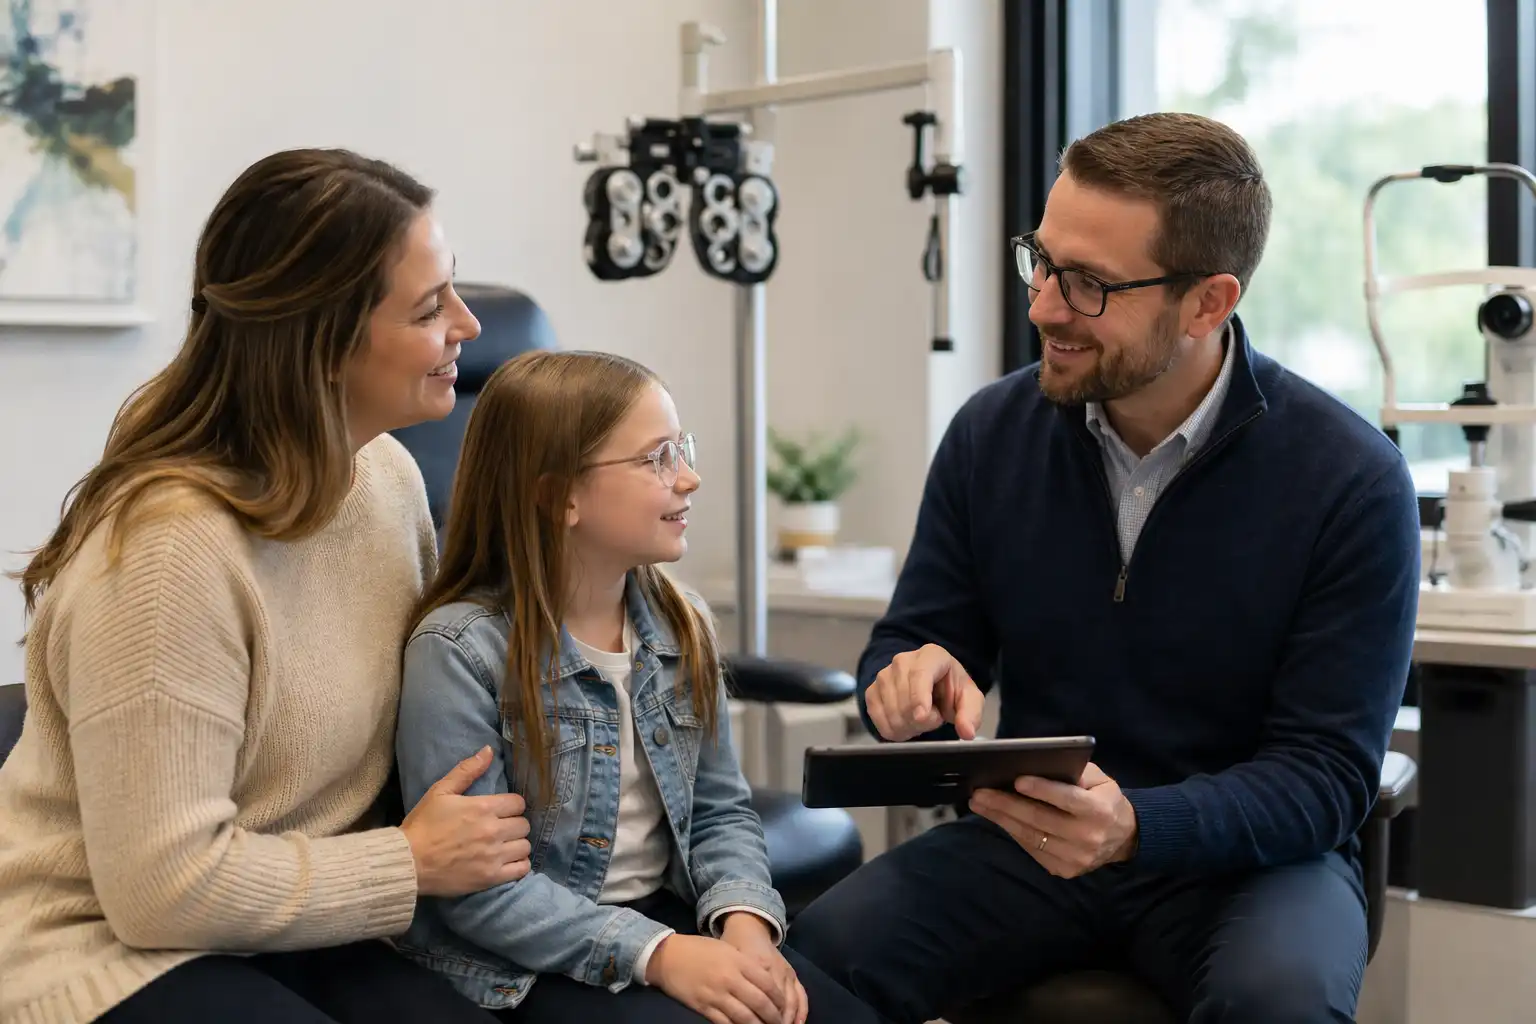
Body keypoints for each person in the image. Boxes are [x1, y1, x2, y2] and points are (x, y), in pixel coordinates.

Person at [784, 112, 1421, 1024]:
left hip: (1249, 866)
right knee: (811, 971)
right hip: (1029, 836)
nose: (1043, 305)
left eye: (1087, 285)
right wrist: (907, 679)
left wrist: (1136, 827)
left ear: (1208, 302)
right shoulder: (990, 435)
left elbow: (1323, 776)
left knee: (1276, 1005)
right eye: (1040, 261)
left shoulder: (1352, 481)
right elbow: (916, 640)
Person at [0, 149, 533, 1024]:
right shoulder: (171, 557)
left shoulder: (387, 479)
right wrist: (407, 863)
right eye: (432, 307)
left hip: (307, 929)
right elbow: (163, 890)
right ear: (323, 340)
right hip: (105, 948)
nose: (469, 327)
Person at [392, 350, 887, 1024]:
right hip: (528, 960)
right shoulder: (460, 652)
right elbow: (480, 893)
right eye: (657, 459)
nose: (690, 477)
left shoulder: (681, 626)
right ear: (558, 494)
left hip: (666, 918)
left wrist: (746, 924)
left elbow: (720, 812)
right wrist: (661, 954)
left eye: (681, 449)